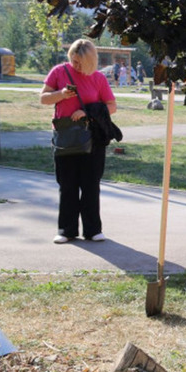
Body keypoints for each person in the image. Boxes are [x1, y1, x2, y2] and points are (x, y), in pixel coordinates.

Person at [40, 39, 117, 244]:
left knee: (91, 185)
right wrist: (61, 94)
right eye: (73, 61)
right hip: (65, 136)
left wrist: (87, 112)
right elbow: (43, 98)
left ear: (90, 60)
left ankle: (93, 230)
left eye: (80, 62)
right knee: (67, 184)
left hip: (92, 137)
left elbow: (112, 106)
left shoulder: (98, 78)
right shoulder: (58, 72)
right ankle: (66, 230)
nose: (76, 66)